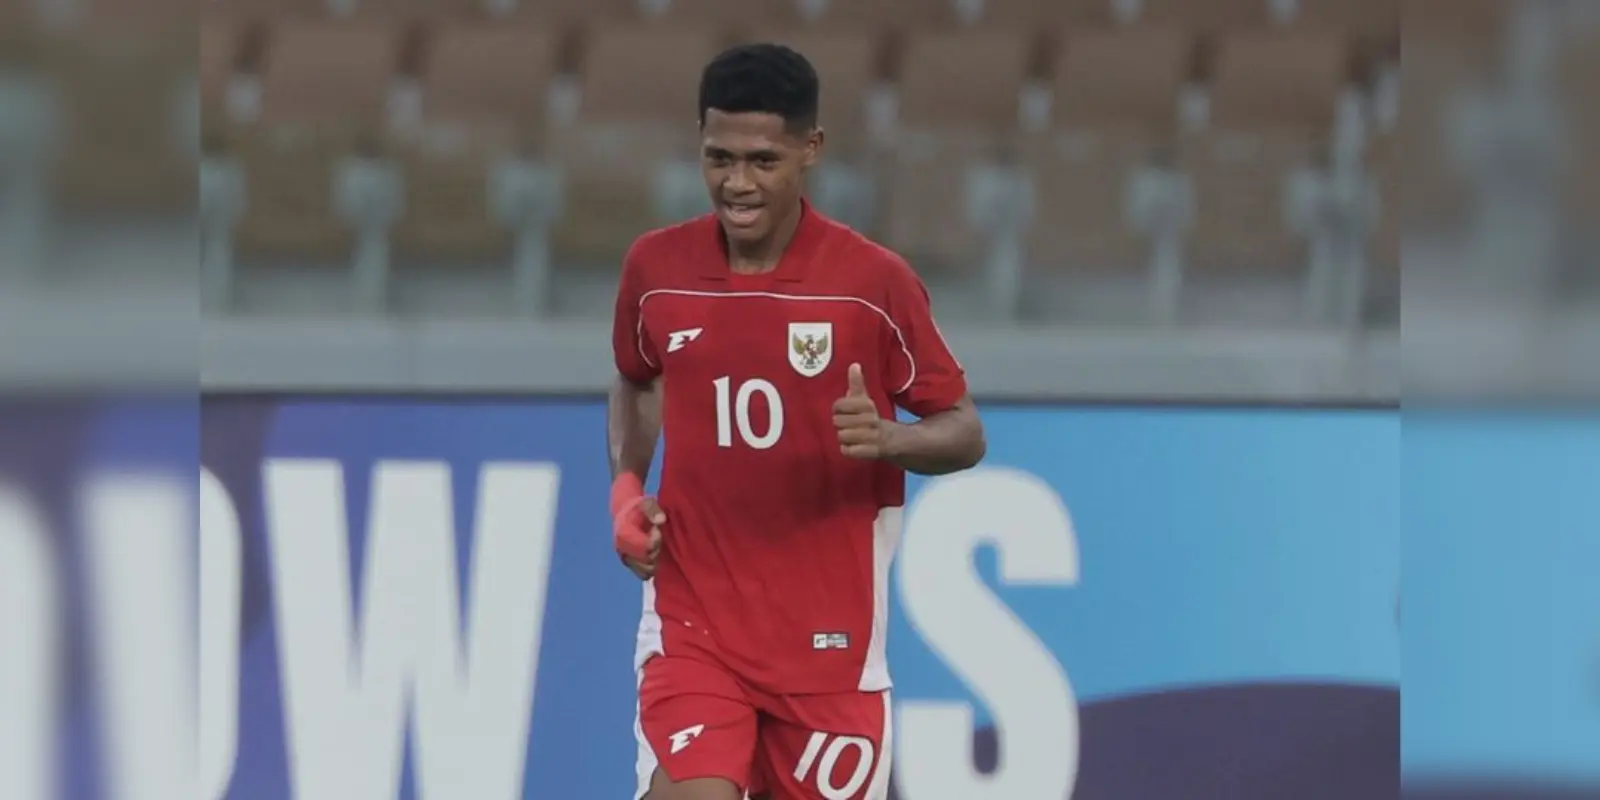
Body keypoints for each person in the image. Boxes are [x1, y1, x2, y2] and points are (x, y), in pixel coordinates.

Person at [608, 42, 986, 800]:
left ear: (810, 149)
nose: (737, 184)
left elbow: (963, 430)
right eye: (719, 158)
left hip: (830, 656)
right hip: (695, 631)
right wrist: (626, 492)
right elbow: (638, 379)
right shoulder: (657, 271)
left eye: (762, 161)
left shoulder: (872, 284)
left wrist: (891, 439)